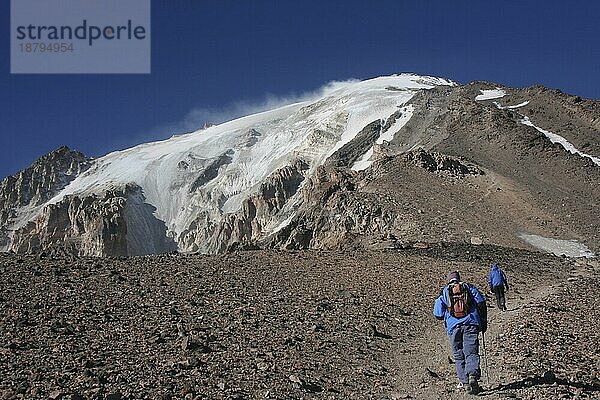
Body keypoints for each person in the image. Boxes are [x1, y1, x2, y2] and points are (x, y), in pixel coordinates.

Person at [433, 271, 487, 395]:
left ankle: (466, 382)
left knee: (458, 355)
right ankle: (473, 375)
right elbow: (481, 302)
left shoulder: (444, 291)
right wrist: (483, 322)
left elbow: (438, 313)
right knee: (471, 351)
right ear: (458, 278)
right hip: (471, 323)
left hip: (453, 328)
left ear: (448, 280)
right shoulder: (468, 287)